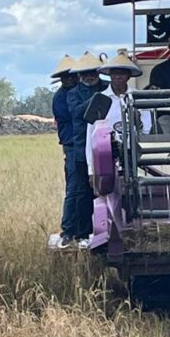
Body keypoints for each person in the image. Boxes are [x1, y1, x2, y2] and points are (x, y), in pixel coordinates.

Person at [61, 51, 107, 248]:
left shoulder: (108, 86)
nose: (90, 76)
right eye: (85, 73)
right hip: (82, 147)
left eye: (93, 71)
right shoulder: (72, 93)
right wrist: (99, 98)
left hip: (107, 147)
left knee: (108, 190)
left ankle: (105, 231)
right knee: (81, 192)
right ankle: (81, 233)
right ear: (80, 75)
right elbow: (76, 113)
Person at [85, 51, 147, 173]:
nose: (118, 77)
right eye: (114, 73)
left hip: (136, 154)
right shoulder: (100, 100)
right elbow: (91, 136)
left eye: (122, 73)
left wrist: (137, 123)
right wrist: (91, 169)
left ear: (129, 76)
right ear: (109, 75)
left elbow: (147, 129)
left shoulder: (139, 98)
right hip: (107, 155)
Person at [50, 54, 77, 247]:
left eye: (72, 75)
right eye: (65, 76)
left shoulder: (77, 93)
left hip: (81, 143)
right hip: (72, 145)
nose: (69, 79)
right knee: (74, 188)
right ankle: (68, 229)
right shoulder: (61, 97)